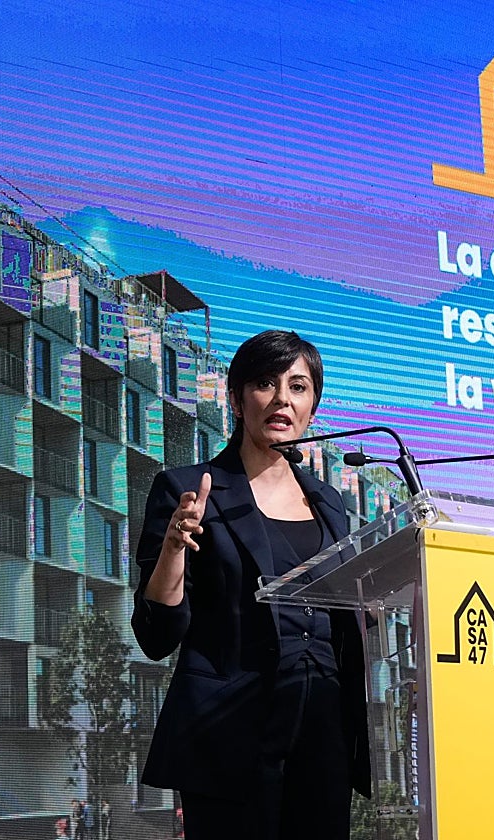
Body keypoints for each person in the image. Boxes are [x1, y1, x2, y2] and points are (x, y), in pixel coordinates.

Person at [131, 330, 370, 840]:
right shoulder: (185, 490)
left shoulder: (330, 503)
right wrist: (174, 546)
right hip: (228, 734)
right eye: (266, 383)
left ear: (312, 407)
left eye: (298, 387)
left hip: (323, 730)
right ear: (237, 401)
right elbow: (156, 635)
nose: (283, 398)